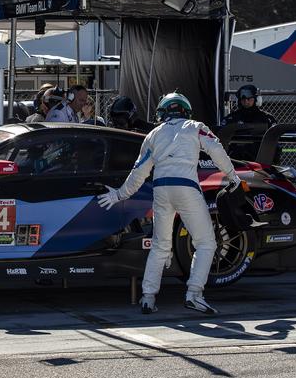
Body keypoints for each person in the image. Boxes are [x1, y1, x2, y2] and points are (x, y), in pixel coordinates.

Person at [97, 92, 241, 315]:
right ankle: (194, 294)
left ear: (163, 112)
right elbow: (216, 149)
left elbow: (139, 171)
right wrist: (232, 176)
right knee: (206, 243)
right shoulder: (195, 127)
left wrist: (119, 194)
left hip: (161, 189)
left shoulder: (154, 134)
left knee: (160, 245)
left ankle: (148, 297)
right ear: (185, 110)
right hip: (187, 187)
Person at [221, 84, 277, 160]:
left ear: (257, 100)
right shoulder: (231, 118)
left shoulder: (266, 118)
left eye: (249, 99)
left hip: (259, 159)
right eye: (243, 99)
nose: (246, 101)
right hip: (235, 160)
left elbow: (274, 142)